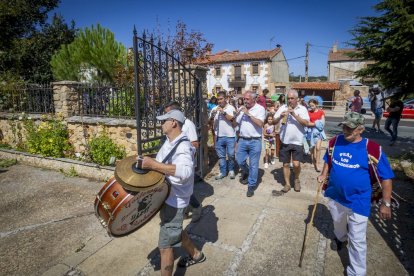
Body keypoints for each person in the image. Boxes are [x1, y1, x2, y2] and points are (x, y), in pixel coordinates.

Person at [317, 112, 394, 276]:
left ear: (360, 129)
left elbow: (386, 176)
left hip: (359, 201)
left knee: (358, 240)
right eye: (343, 126)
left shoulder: (372, 148)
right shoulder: (335, 142)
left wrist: (386, 203)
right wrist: (324, 174)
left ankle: (356, 272)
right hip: (335, 195)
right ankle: (341, 238)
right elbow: (327, 159)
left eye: (349, 128)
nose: (345, 130)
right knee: (338, 224)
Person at [140, 109, 206, 275]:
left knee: (165, 247)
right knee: (175, 230)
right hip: (168, 198)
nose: (161, 124)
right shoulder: (171, 141)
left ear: (174, 123)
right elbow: (164, 162)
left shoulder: (183, 146)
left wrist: (153, 165)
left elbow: (185, 172)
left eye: (164, 121)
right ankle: (196, 254)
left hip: (174, 202)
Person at [164, 101, 202, 223]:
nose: (165, 118)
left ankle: (196, 208)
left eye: (167, 114)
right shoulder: (172, 125)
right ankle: (183, 210)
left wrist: (183, 153)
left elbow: (195, 143)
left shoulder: (188, 124)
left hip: (184, 164)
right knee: (177, 189)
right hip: (173, 165)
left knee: (185, 190)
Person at [273, 90, 310, 193]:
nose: (289, 100)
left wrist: (294, 114)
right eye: (288, 98)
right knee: (285, 164)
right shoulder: (282, 108)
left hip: (297, 141)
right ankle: (287, 184)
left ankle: (296, 179)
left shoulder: (302, 109)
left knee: (296, 164)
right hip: (285, 140)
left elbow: (306, 123)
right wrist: (281, 116)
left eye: (292, 98)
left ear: (297, 99)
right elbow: (274, 121)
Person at [235, 91, 266, 197]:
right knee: (239, 161)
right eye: (244, 99)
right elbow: (236, 122)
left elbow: (260, 123)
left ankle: (251, 186)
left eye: (247, 99)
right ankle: (247, 172)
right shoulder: (242, 109)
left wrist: (248, 114)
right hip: (243, 140)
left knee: (254, 165)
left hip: (255, 141)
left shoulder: (260, 109)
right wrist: (238, 113)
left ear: (254, 99)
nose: (245, 101)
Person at [209, 91, 237, 180]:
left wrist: (224, 113)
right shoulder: (214, 109)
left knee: (231, 154)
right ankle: (223, 172)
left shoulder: (231, 108)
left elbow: (234, 121)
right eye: (218, 99)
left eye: (221, 99)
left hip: (230, 136)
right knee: (221, 156)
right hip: (219, 136)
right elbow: (209, 123)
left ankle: (231, 170)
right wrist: (212, 115)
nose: (219, 101)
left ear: (225, 99)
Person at [306, 99, 326, 172]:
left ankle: (317, 164)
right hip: (310, 132)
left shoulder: (321, 112)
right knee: (311, 147)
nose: (311, 107)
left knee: (318, 148)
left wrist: (313, 124)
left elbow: (322, 124)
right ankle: (312, 160)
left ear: (316, 104)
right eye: (310, 106)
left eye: (312, 105)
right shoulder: (308, 112)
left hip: (318, 132)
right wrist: (316, 123)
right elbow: (307, 123)